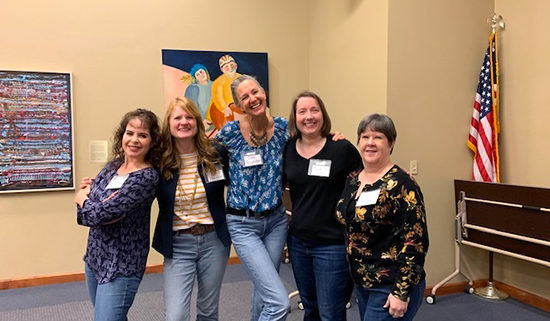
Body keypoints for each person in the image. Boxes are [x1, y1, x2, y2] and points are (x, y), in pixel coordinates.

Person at [335, 114, 429, 321]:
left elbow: (416, 242)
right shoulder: (353, 179)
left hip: (390, 284)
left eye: (378, 137)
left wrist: (401, 292)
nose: (370, 143)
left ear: (391, 143)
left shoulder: (403, 184)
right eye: (365, 137)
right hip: (362, 282)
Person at [75, 109, 161, 321]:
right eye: (130, 133)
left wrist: (82, 198)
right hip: (95, 256)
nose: (134, 140)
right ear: (122, 135)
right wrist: (91, 202)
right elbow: (88, 215)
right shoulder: (113, 166)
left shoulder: (146, 177)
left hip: (122, 264)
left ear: (152, 141)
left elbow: (100, 214)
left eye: (143, 135)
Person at [216, 75, 290, 321]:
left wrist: (336, 138)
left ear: (264, 92)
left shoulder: (282, 129)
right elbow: (202, 156)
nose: (252, 99)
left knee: (265, 291)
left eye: (255, 92)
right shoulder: (230, 133)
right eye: (244, 97)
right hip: (243, 224)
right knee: (279, 301)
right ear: (238, 106)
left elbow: (311, 144)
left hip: (277, 222)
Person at [284, 91, 362, 321]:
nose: (309, 116)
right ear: (295, 118)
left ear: (323, 114)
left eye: (314, 110)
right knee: (311, 309)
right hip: (298, 243)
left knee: (331, 313)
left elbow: (368, 178)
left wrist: (399, 177)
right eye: (302, 111)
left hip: (332, 245)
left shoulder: (341, 148)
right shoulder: (288, 149)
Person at [152, 97, 231, 321]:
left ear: (197, 122)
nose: (184, 122)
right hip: (178, 244)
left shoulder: (216, 153)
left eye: (189, 117)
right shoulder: (159, 159)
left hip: (213, 241)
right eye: (177, 117)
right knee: (176, 316)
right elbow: (130, 168)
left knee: (208, 311)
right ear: (169, 123)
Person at [208, 54, 243, 130]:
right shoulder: (219, 81)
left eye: (231, 65)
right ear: (222, 69)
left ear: (236, 65)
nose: (230, 68)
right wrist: (224, 108)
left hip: (238, 106)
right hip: (222, 108)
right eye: (227, 67)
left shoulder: (242, 78)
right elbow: (218, 98)